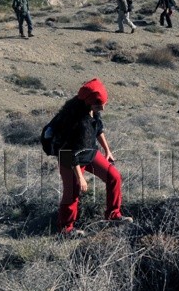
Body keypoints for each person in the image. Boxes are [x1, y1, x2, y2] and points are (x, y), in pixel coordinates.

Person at [54, 78, 131, 237]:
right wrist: (80, 177)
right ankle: (66, 229)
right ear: (88, 103)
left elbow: (98, 130)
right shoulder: (75, 121)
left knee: (114, 176)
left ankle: (113, 216)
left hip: (89, 152)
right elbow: (71, 151)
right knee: (72, 192)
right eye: (98, 105)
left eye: (103, 104)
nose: (102, 108)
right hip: (69, 158)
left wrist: (107, 150)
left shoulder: (92, 110)